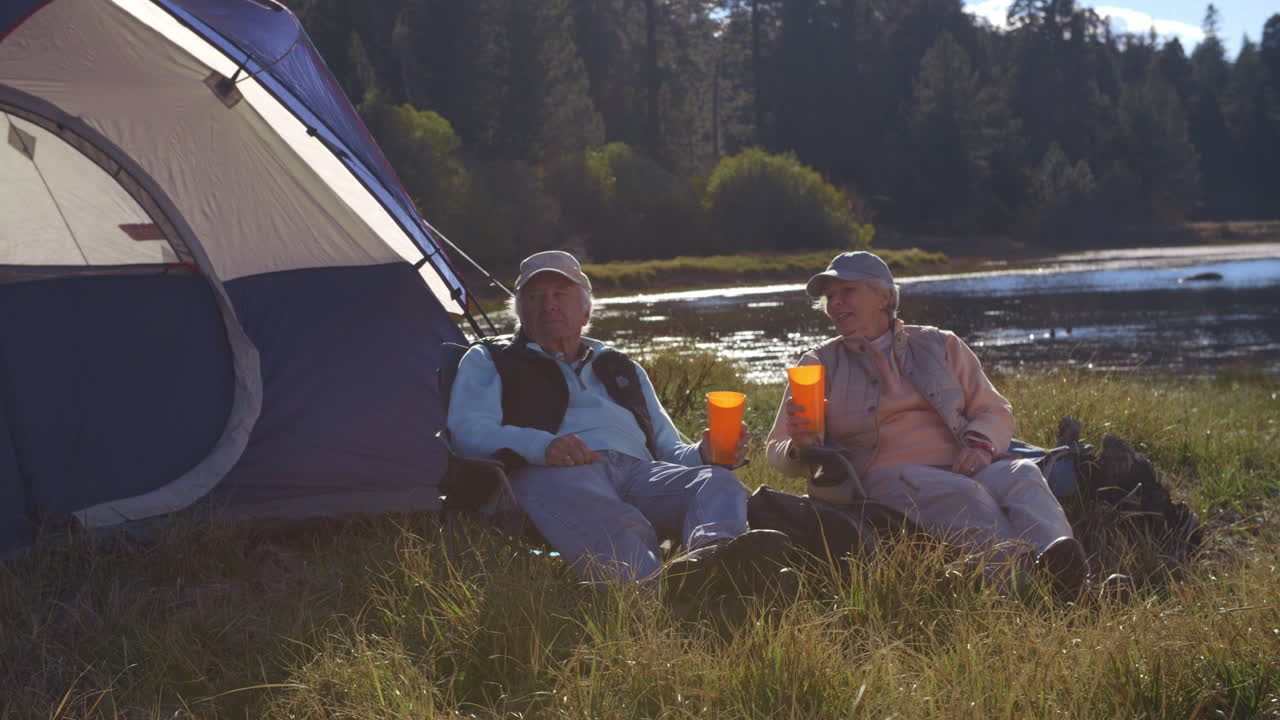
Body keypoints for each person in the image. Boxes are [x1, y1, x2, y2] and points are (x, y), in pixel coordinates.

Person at [447, 250, 792, 592]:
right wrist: (543, 446)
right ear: (520, 312)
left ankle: (715, 576)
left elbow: (668, 447)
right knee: (619, 523)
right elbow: (467, 431)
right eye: (534, 297)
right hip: (554, 473)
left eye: (559, 294)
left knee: (717, 482)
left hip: (638, 473)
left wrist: (706, 453)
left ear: (586, 310)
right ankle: (659, 605)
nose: (548, 304)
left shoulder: (619, 367)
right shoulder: (491, 358)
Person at [765, 251, 1087, 595]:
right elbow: (776, 451)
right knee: (966, 495)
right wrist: (803, 445)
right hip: (883, 477)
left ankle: (1068, 575)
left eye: (847, 291)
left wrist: (980, 447)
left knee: (1023, 474)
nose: (836, 303)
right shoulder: (818, 363)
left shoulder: (941, 343)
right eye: (831, 297)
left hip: (965, 463)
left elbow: (994, 410)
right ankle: (1022, 588)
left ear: (885, 297)